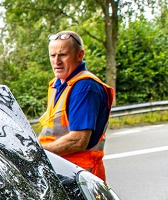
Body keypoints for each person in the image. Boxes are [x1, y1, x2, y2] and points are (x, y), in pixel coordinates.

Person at [38, 31, 115, 181]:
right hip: (63, 171)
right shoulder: (57, 84)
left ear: (80, 55)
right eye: (52, 56)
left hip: (80, 176)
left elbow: (78, 140)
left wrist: (38, 152)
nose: (56, 61)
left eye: (63, 55)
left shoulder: (84, 87)